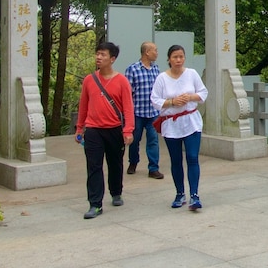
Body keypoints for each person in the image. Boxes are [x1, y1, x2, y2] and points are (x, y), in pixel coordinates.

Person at [75, 41, 134, 219]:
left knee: (115, 163)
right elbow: (83, 106)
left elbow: (128, 108)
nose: (98, 57)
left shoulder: (122, 81)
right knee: (94, 166)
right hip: (93, 130)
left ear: (112, 59)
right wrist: (79, 128)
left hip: (115, 129)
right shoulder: (89, 80)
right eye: (97, 54)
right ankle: (95, 204)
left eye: (103, 55)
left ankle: (116, 192)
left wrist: (128, 130)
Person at [150, 44, 208, 211]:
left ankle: (194, 195)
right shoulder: (162, 78)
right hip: (172, 124)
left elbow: (203, 93)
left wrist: (190, 97)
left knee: (192, 157)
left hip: (191, 121)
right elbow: (155, 100)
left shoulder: (192, 74)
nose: (178, 60)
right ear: (169, 59)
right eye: (175, 57)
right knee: (176, 160)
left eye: (181, 56)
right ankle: (179, 193)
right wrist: (172, 102)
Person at [124, 42, 164, 180]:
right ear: (147, 52)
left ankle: (153, 168)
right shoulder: (132, 69)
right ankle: (133, 162)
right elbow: (127, 93)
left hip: (153, 113)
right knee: (134, 141)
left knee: (153, 140)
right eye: (155, 50)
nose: (157, 53)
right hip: (137, 113)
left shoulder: (156, 69)